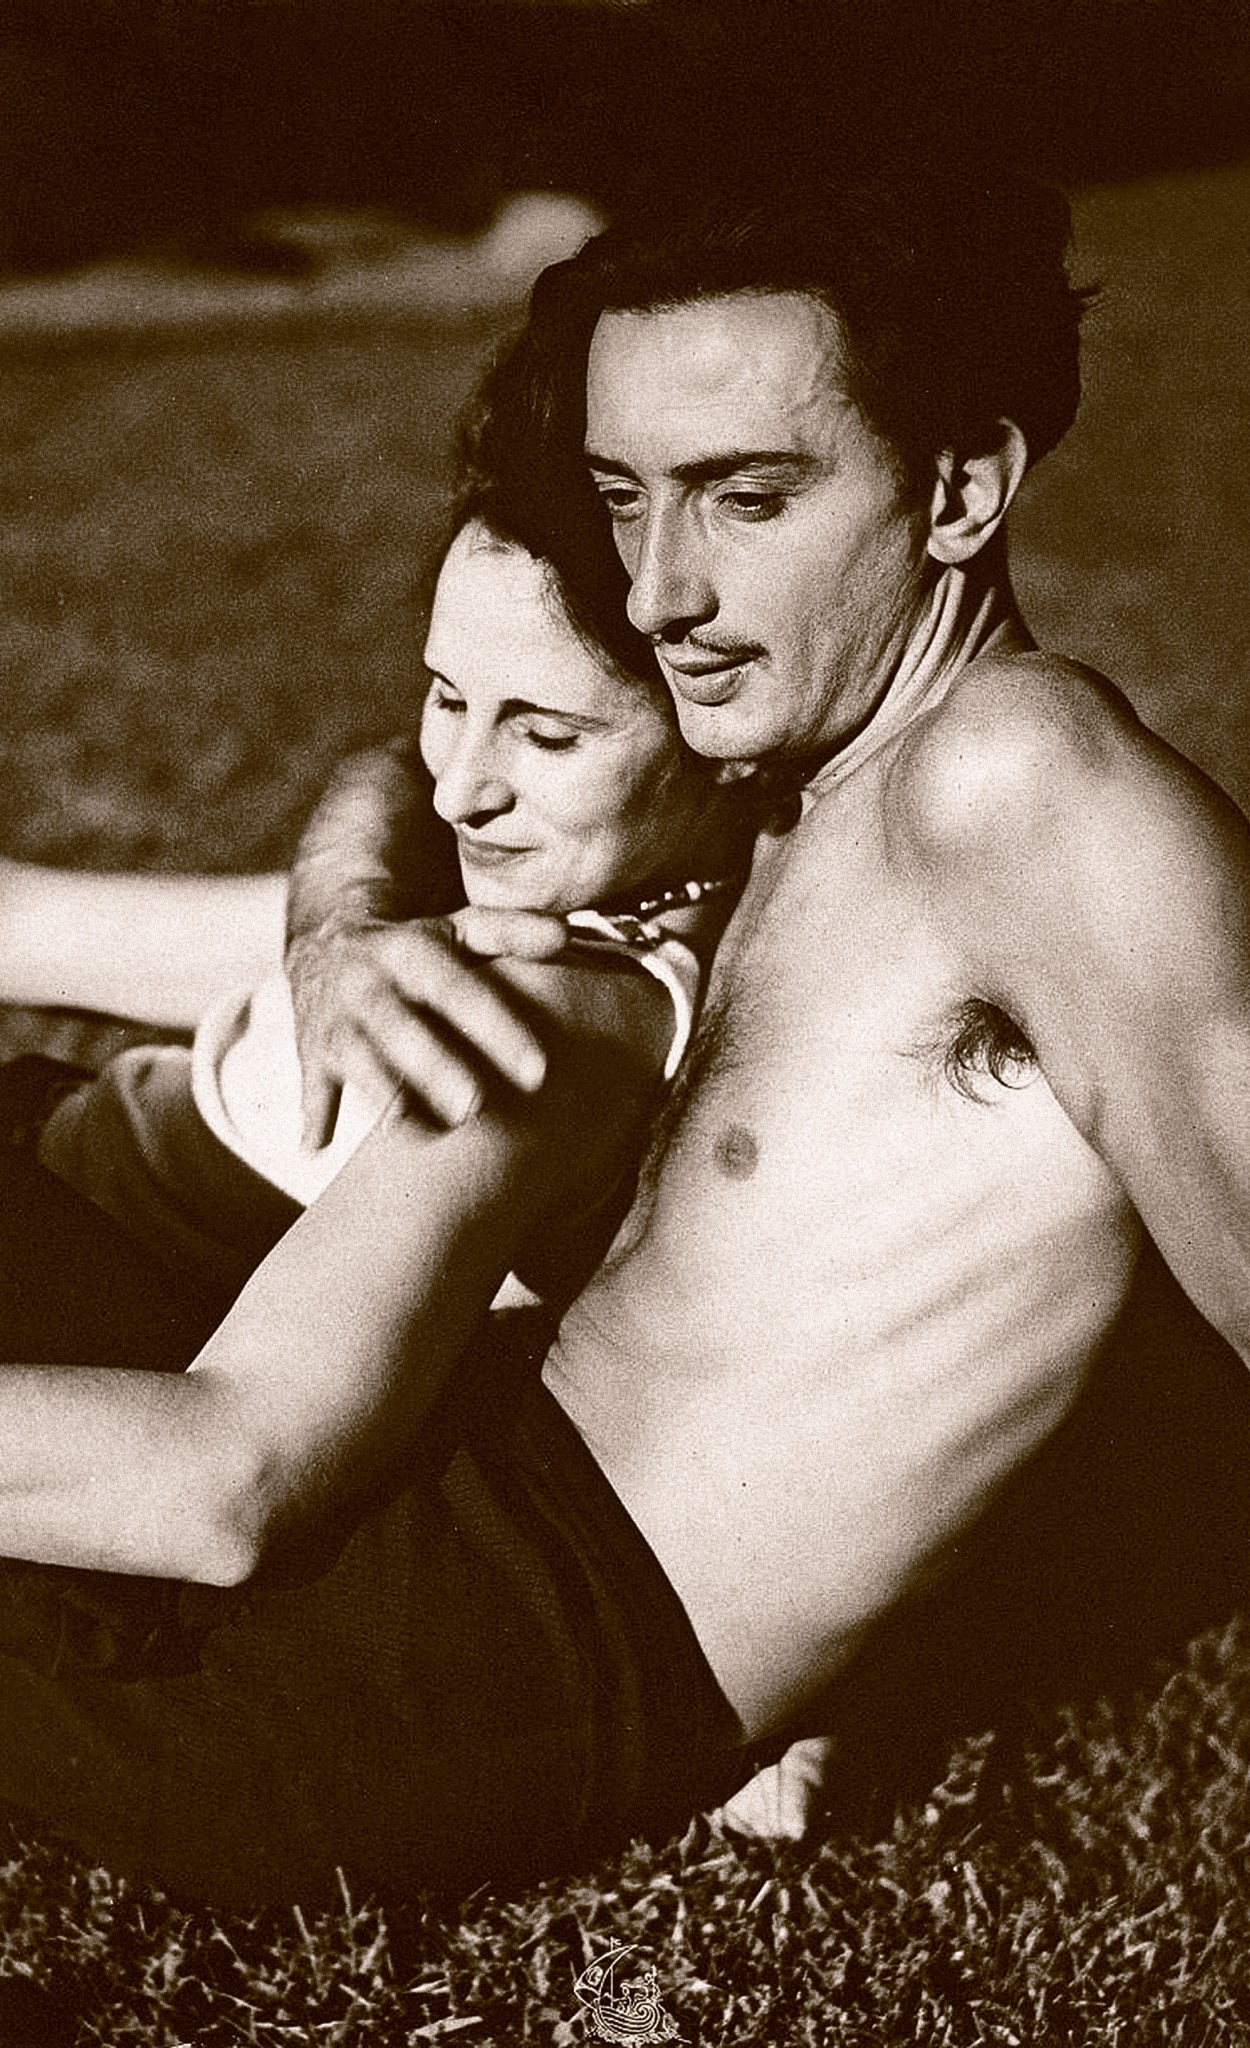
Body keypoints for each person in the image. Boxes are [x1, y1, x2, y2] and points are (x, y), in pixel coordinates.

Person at [279, 169, 1250, 1833]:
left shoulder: (1013, 781)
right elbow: (403, 759)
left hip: (551, 1630)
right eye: (623, 498)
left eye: (744, 498)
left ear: (959, 487)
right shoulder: (786, 730)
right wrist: (339, 923)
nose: (656, 592)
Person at [1, 512, 753, 1310]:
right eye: (448, 700)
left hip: (71, 1216)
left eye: (546, 737)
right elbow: (391, 768)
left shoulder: (558, 1002)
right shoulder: (601, 875)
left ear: (723, 731)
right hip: (85, 1121)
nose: (454, 793)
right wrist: (335, 925)